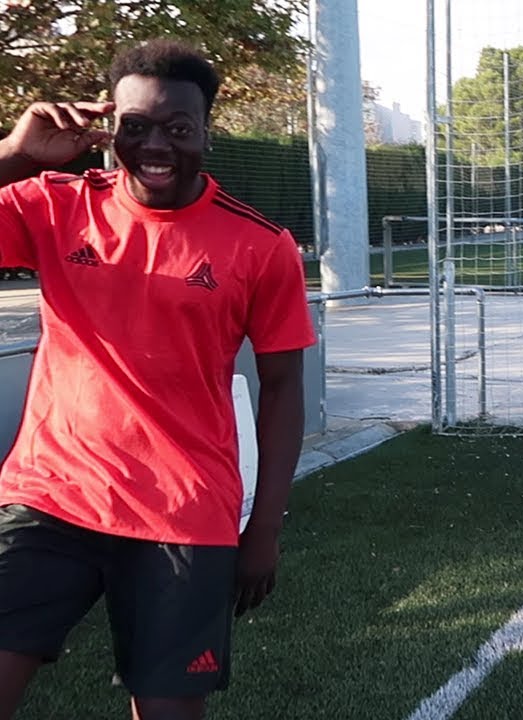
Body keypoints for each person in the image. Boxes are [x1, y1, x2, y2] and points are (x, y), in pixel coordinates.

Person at [0, 39, 316, 720]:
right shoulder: (55, 205)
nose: (155, 146)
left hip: (184, 512)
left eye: (178, 128)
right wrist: (16, 153)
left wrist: (263, 527)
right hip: (52, 496)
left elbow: (285, 388)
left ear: (207, 130)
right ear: (109, 125)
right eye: (135, 126)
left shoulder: (260, 247)